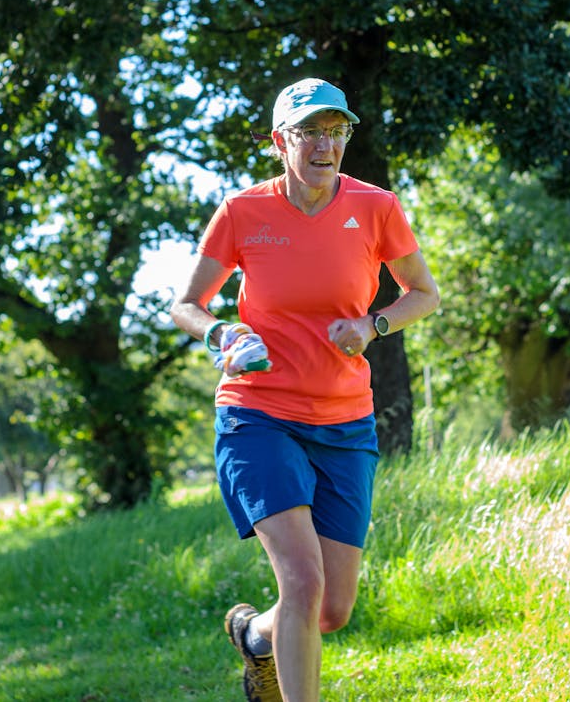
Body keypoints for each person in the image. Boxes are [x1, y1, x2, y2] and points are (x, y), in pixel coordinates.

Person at [170, 77, 440, 702]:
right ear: (279, 142)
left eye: (336, 130)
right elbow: (187, 304)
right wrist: (222, 336)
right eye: (309, 131)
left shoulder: (376, 207)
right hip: (259, 416)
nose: (325, 144)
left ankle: (256, 637)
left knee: (332, 609)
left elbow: (423, 294)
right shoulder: (243, 212)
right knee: (301, 579)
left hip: (346, 423)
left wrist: (373, 325)